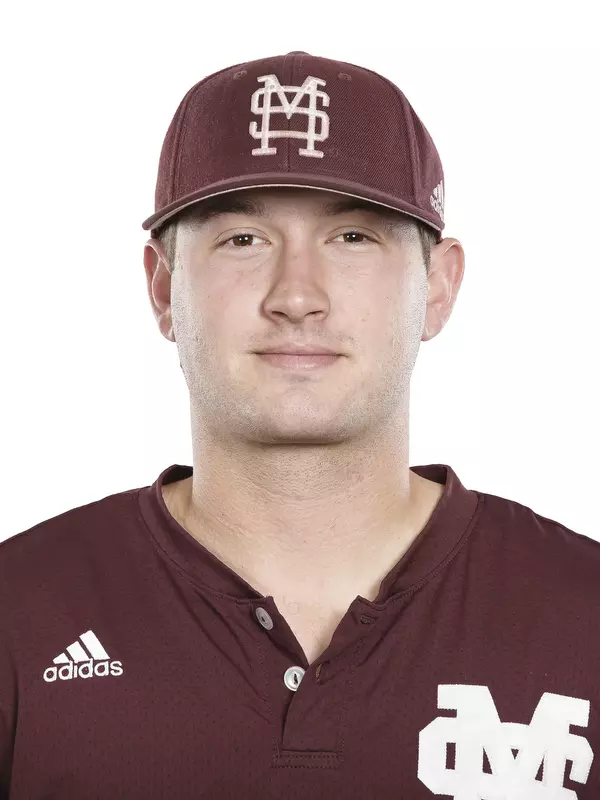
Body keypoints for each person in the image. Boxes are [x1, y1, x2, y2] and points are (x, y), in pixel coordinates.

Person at [1, 51, 599, 799]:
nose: (297, 297)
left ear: (439, 287)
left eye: (353, 237)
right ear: (162, 287)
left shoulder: (584, 616)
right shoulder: (19, 614)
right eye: (242, 241)